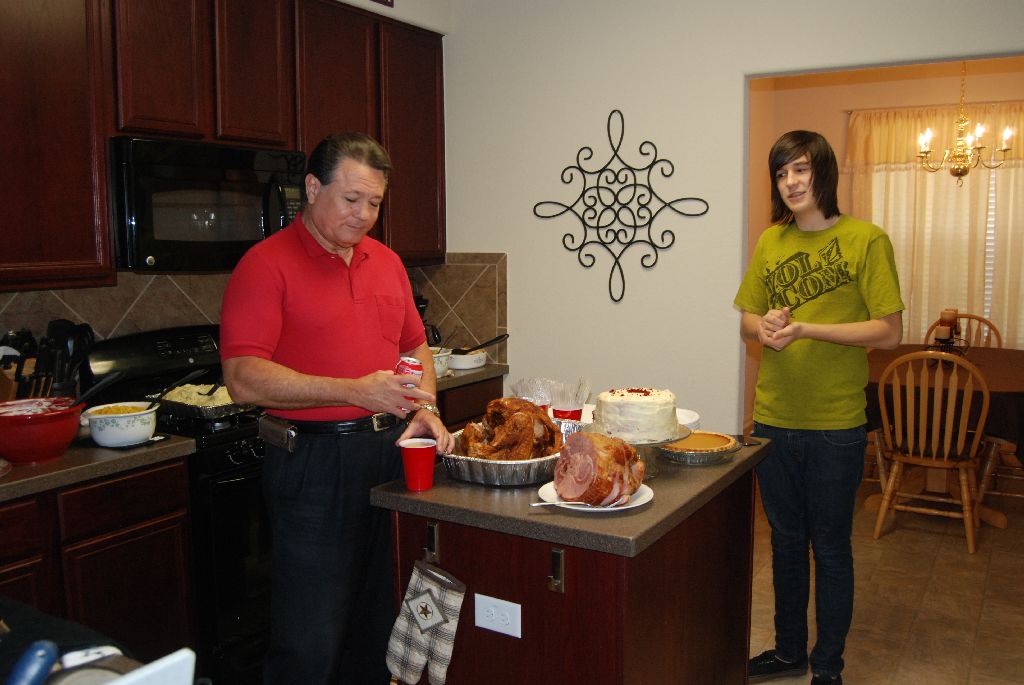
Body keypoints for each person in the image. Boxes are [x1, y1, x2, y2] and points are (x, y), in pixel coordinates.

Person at [220, 132, 455, 685]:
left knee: (380, 621)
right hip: (314, 465)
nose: (364, 214)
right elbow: (242, 378)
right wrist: (354, 390)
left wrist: (426, 408)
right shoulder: (265, 265)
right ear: (311, 187)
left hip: (390, 455)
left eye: (374, 202)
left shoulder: (387, 262)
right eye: (351, 199)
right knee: (311, 635)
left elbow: (414, 347)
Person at [734, 130, 904, 685]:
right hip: (773, 420)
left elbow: (889, 331)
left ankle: (828, 665)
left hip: (836, 426)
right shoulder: (771, 242)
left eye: (801, 169)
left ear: (824, 172)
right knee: (785, 544)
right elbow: (746, 319)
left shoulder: (866, 240)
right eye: (782, 173)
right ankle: (789, 652)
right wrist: (764, 325)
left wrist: (808, 328)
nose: (791, 182)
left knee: (830, 549)